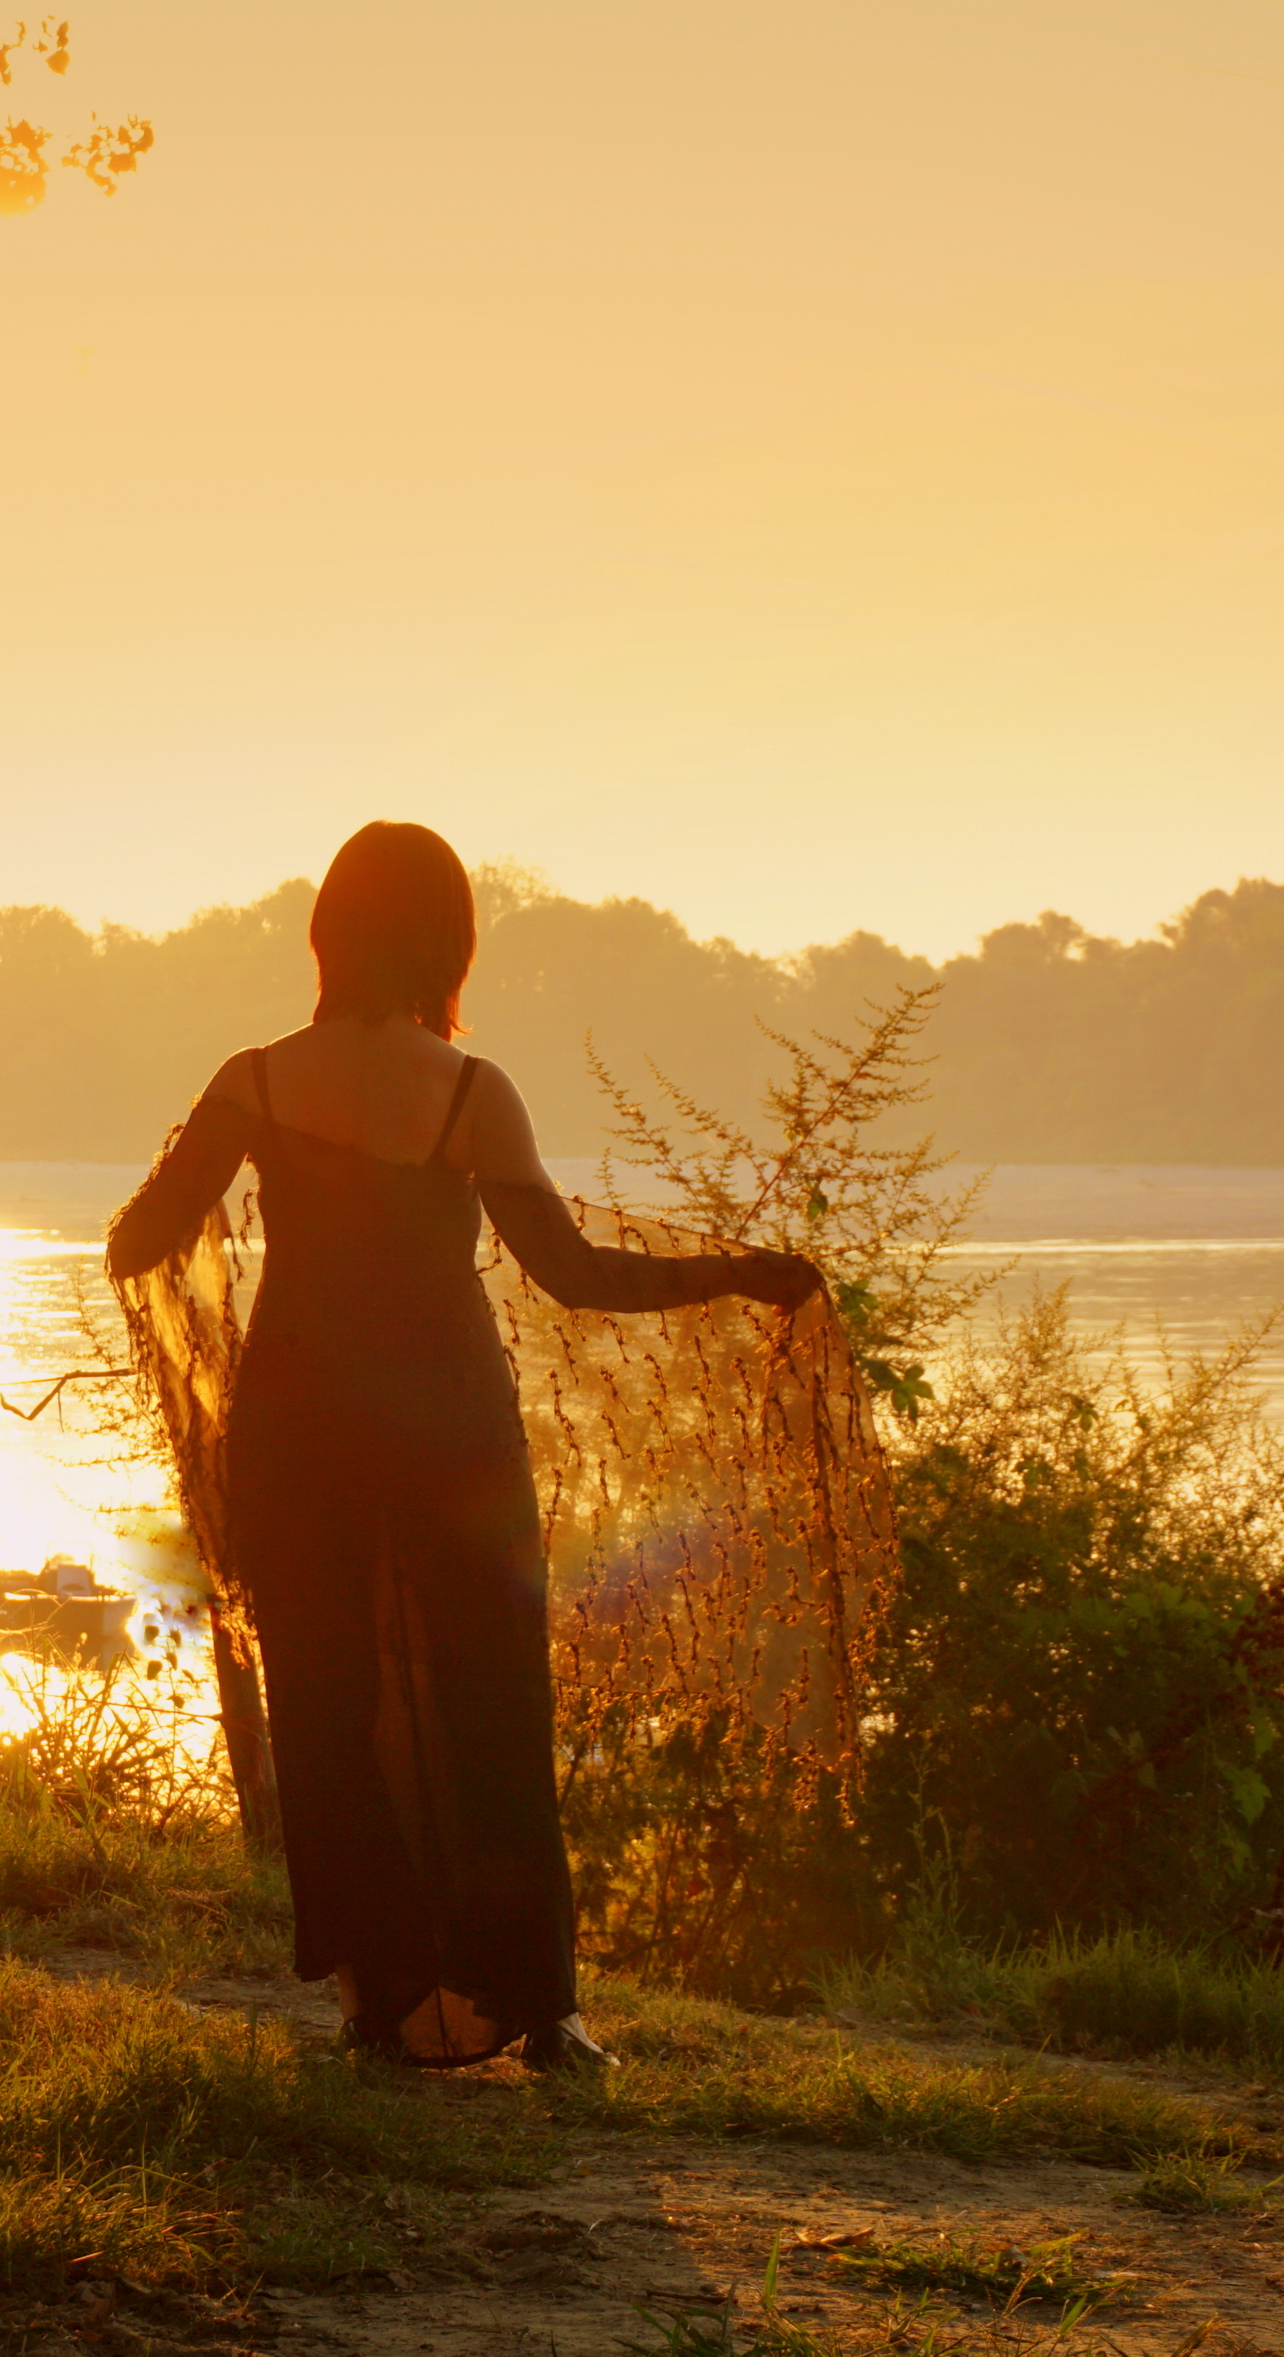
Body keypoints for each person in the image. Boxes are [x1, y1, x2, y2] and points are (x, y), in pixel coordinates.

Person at [106, 821, 821, 2070]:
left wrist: (189, 1164)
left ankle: (379, 1999)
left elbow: (135, 1247)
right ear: (447, 941)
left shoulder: (255, 1080)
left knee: (327, 1709)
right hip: (451, 1430)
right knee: (492, 1703)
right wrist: (734, 1273)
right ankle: (546, 2008)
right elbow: (576, 1275)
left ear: (326, 934)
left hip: (299, 1429)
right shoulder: (472, 1092)